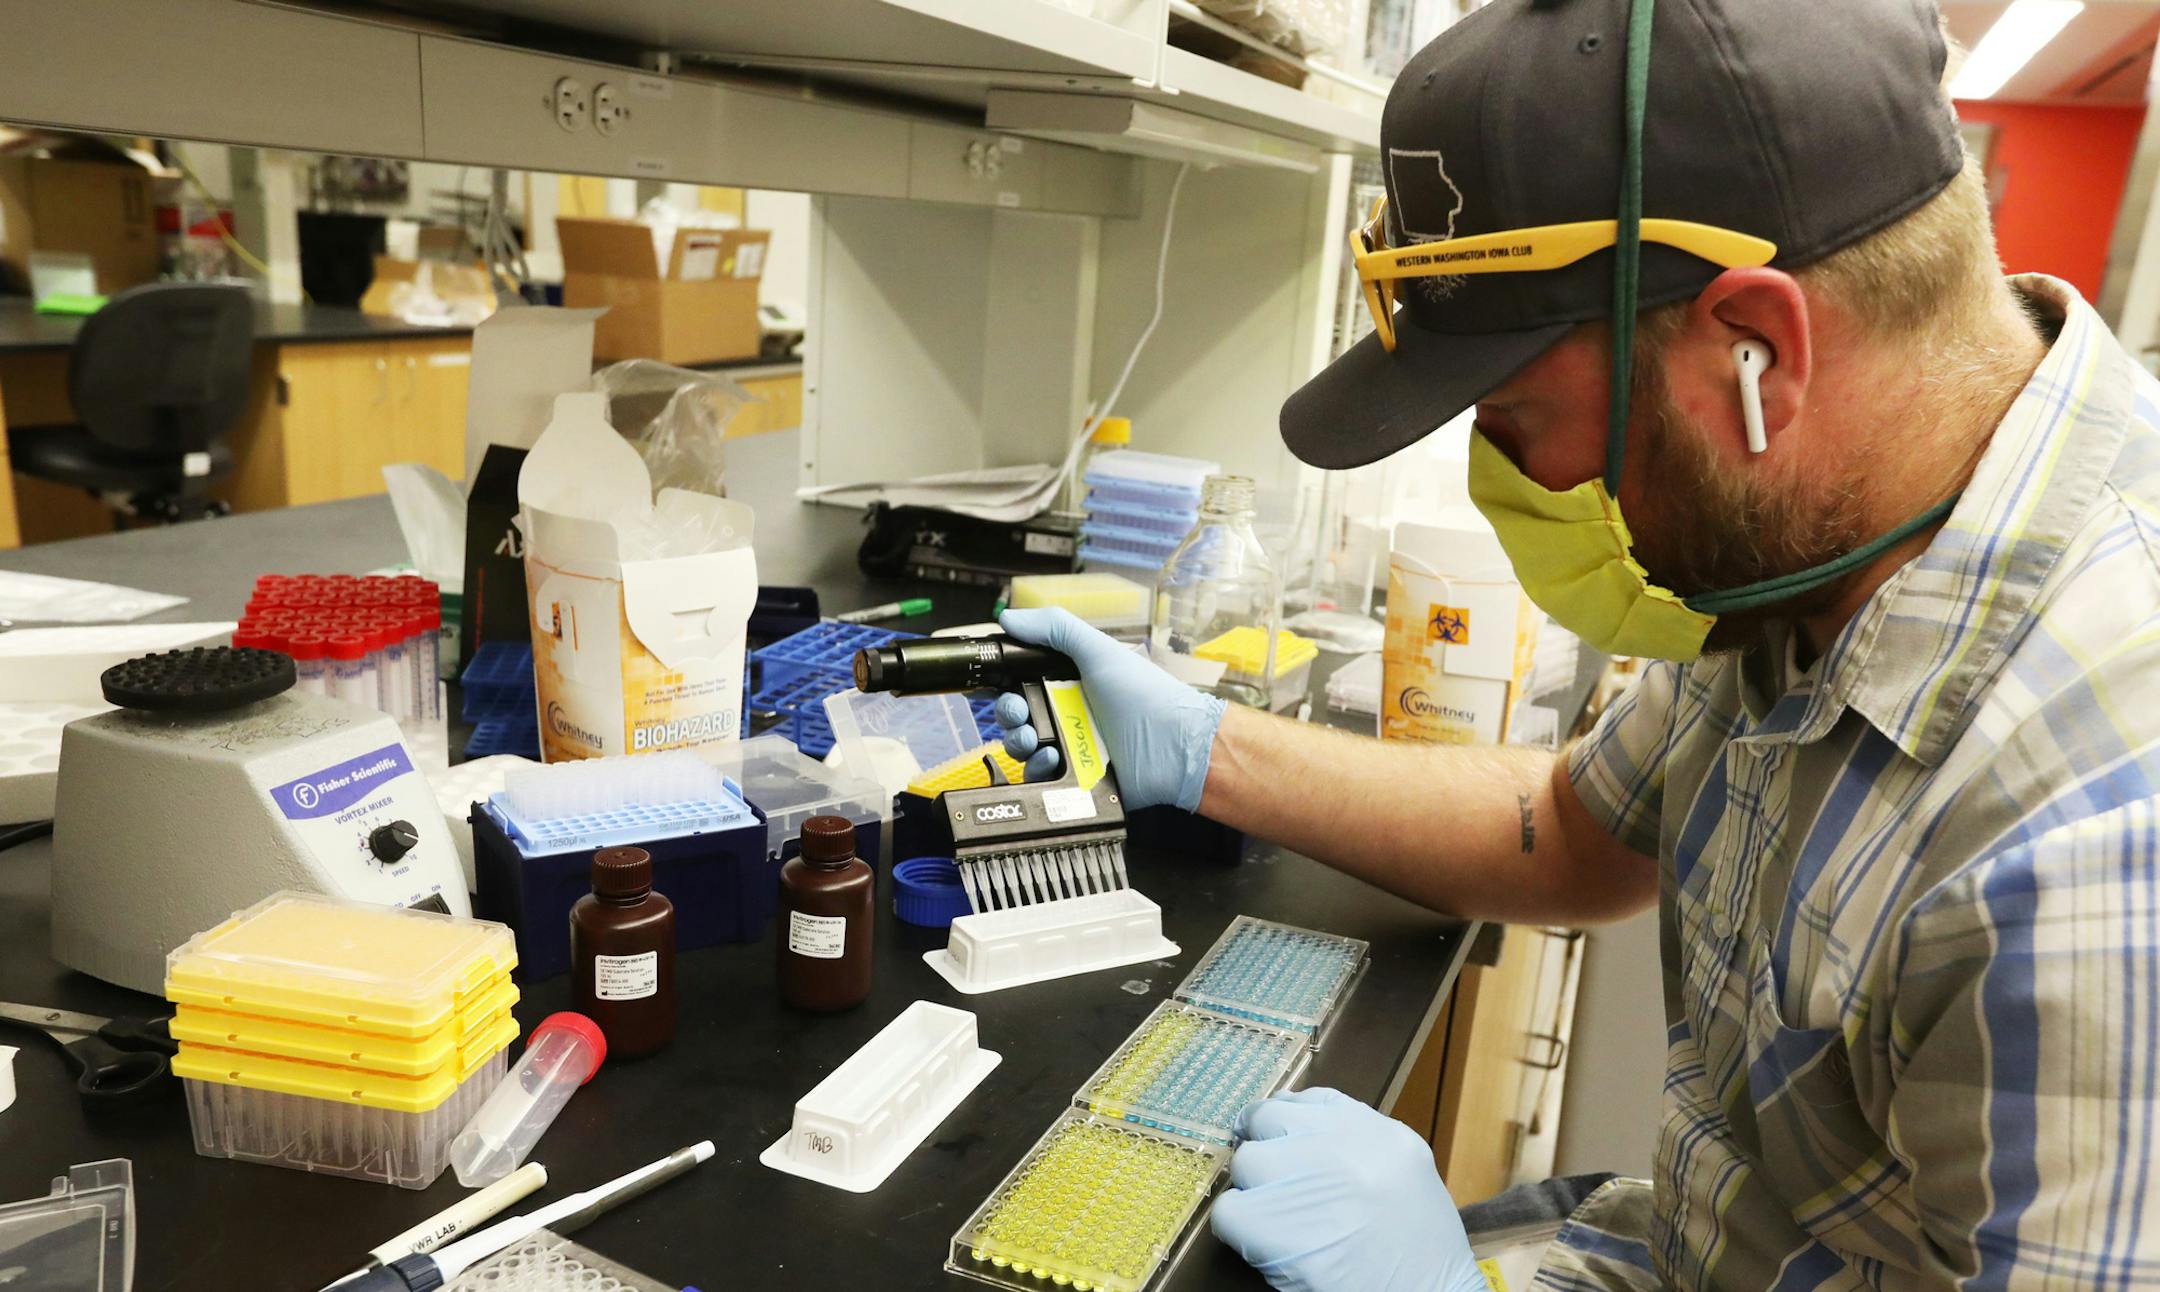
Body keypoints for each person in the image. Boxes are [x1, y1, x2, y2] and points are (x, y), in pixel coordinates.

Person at [995, 0, 2160, 1287]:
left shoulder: (2097, 840)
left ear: (1757, 353)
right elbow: (1570, 828)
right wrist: (1205, 745)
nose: (1504, 477)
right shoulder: (1821, 543)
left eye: (1513, 413)